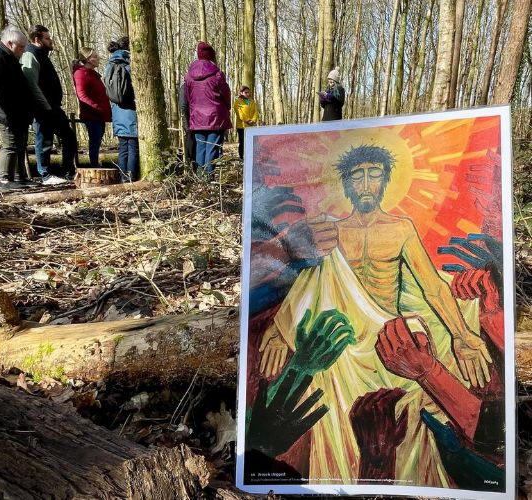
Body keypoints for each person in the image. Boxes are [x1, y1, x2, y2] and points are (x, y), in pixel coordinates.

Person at [257, 145, 491, 485]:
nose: (366, 183)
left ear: (385, 181)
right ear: (347, 184)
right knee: (337, 427)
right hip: (343, 350)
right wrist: (282, 328)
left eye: (374, 174)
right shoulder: (332, 230)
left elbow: (433, 288)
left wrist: (462, 336)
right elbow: (312, 278)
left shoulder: (401, 228)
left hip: (391, 345)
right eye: (358, 175)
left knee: (403, 429)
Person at [0, 25, 35, 191]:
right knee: (10, 144)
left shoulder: (8, 56)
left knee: (20, 144)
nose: (23, 51)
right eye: (21, 47)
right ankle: (4, 180)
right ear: (10, 44)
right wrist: (9, 112)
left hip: (16, 110)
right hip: (4, 111)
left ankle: (19, 177)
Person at [21, 25, 77, 185]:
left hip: (53, 107)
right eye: (47, 38)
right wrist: (43, 106)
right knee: (44, 141)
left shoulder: (42, 55)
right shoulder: (30, 55)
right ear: (37, 40)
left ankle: (68, 172)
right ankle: (45, 174)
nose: (50, 40)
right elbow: (31, 84)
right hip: (42, 108)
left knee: (69, 137)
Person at [184, 41, 231, 174]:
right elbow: (226, 94)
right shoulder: (217, 74)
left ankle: (200, 178)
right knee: (212, 148)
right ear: (212, 56)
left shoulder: (189, 76)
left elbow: (188, 97)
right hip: (215, 117)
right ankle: (208, 180)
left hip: (197, 116)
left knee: (200, 147)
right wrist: (227, 107)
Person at [105, 37, 139, 182]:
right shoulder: (129, 65)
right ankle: (131, 178)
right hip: (130, 110)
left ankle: (122, 178)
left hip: (117, 111)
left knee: (123, 147)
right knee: (133, 148)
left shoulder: (109, 66)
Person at [72, 47, 111, 168]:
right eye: (95, 56)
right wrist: (97, 108)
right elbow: (82, 95)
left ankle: (95, 165)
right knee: (94, 142)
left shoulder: (93, 75)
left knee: (97, 141)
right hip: (92, 115)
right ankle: (94, 167)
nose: (98, 58)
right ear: (88, 59)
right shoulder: (81, 73)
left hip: (99, 116)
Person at [233, 85, 258, 160]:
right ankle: (242, 157)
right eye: (246, 92)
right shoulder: (238, 102)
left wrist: (253, 120)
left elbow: (255, 112)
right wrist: (247, 120)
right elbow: (239, 113)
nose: (248, 94)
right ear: (241, 93)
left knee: (251, 142)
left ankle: (250, 157)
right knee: (243, 143)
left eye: (248, 92)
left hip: (251, 126)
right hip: (242, 126)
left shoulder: (252, 101)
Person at [178, 81, 195, 165]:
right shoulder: (185, 87)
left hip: (195, 119)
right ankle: (189, 162)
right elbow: (183, 106)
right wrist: (186, 123)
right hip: (189, 119)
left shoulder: (194, 86)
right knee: (189, 138)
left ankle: (192, 162)